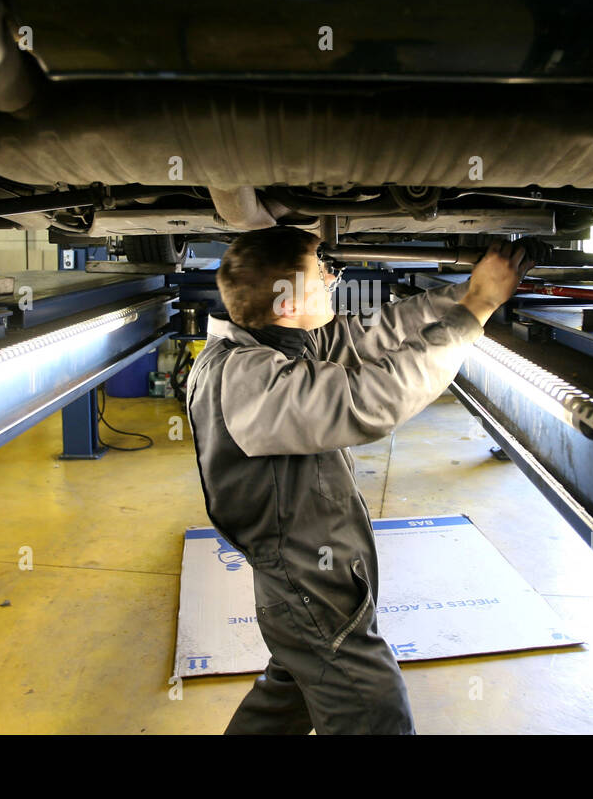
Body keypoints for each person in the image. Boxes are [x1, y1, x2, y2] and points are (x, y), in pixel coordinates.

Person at [184, 226, 531, 734]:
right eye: (319, 271)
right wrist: (475, 310)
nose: (331, 277)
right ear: (287, 302)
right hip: (307, 584)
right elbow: (373, 397)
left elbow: (375, 333)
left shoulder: (273, 344)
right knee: (374, 713)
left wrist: (470, 289)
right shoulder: (248, 381)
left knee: (293, 693)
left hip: (310, 579)